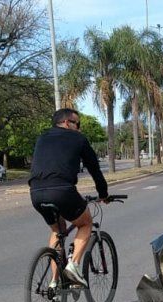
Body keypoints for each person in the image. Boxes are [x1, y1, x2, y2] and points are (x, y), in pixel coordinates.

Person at [29, 108, 109, 287]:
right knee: (86, 223)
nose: (79, 128)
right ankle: (73, 266)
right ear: (66, 123)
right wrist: (103, 194)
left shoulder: (42, 138)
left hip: (35, 192)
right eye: (77, 124)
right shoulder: (78, 139)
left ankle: (54, 282)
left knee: (57, 231)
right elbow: (94, 169)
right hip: (62, 191)